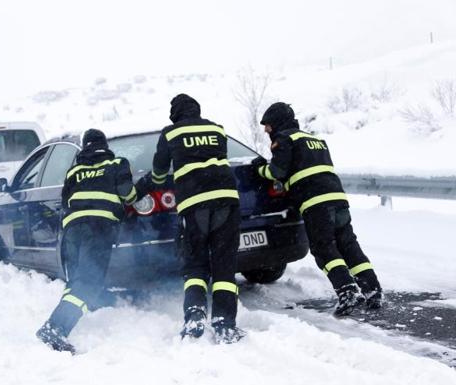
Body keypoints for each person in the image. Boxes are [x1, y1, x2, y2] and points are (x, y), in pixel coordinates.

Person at [253, 102, 382, 316]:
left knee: (324, 248)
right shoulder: (314, 140)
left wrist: (260, 169)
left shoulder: (284, 139)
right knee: (348, 245)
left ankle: (347, 291)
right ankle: (373, 290)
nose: (266, 130)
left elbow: (277, 171)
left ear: (276, 122)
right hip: (338, 198)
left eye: (267, 125)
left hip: (315, 203)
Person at [139, 93, 244, 343]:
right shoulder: (217, 130)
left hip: (194, 204)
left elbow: (159, 173)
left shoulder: (171, 133)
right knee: (224, 264)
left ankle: (195, 317)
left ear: (174, 114)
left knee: (195, 264)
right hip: (227, 201)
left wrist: (149, 184)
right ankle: (225, 322)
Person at [36, 128, 138, 353]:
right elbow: (127, 193)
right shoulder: (117, 164)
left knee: (77, 279)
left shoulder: (74, 171)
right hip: (98, 227)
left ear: (85, 147)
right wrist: (135, 200)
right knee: (89, 281)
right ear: (105, 145)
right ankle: (55, 327)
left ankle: (67, 317)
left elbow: (65, 202)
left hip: (72, 230)